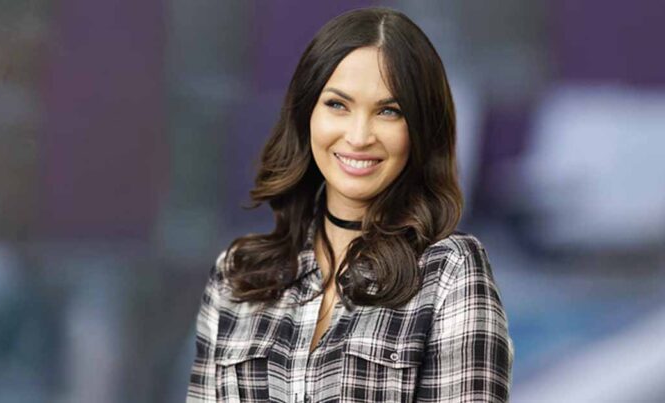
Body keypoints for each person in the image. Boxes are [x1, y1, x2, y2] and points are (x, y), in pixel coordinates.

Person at [188, 7, 513, 403]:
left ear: (420, 130)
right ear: (306, 114)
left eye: (389, 111)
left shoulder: (450, 271)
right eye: (337, 105)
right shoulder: (237, 274)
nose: (359, 137)